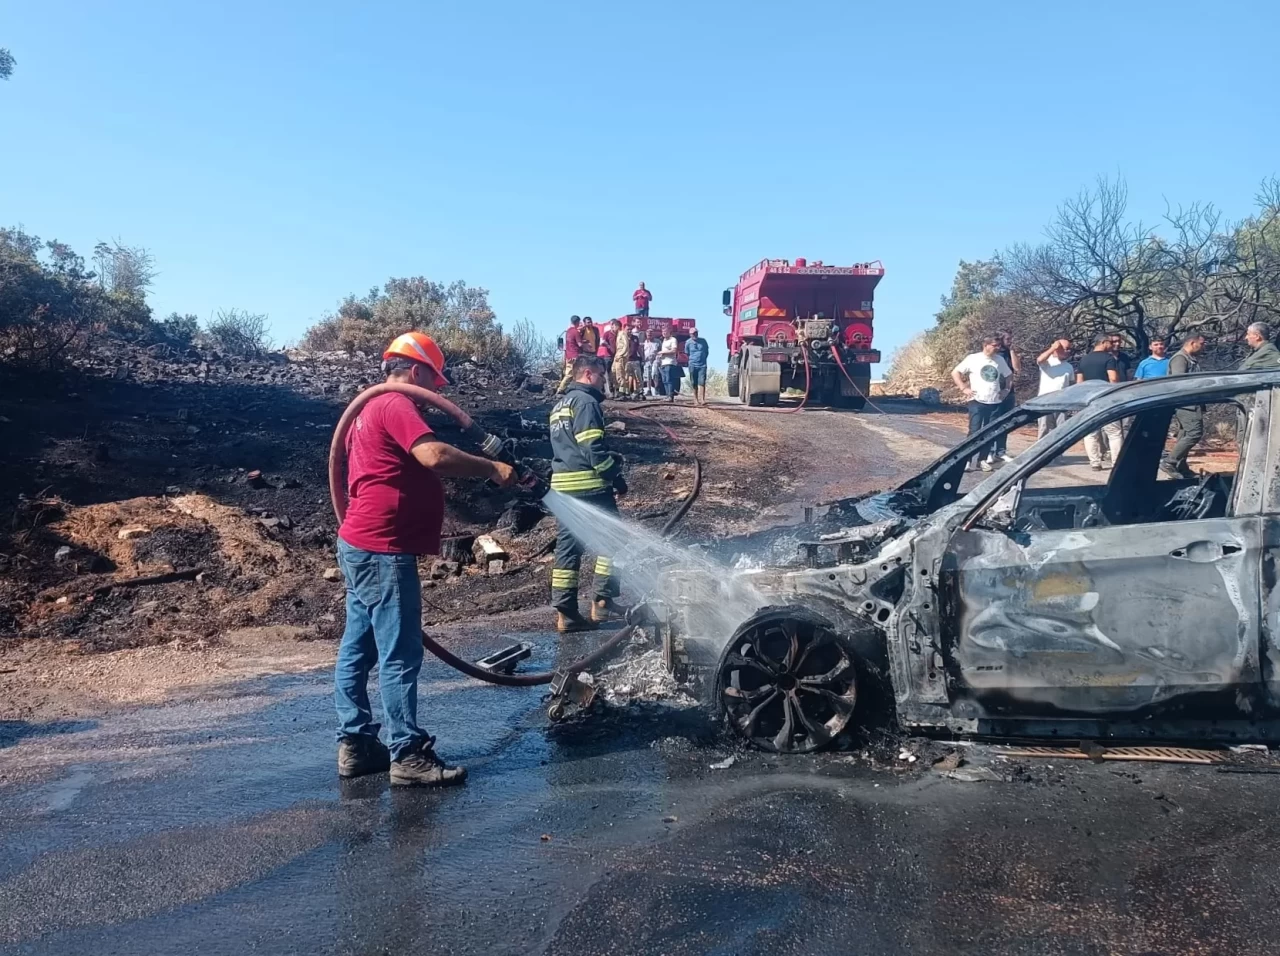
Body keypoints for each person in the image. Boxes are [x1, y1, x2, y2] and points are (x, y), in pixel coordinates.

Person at [336, 332, 517, 787]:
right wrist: (491, 467)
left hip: (361, 542)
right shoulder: (395, 404)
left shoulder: (367, 409)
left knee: (359, 648)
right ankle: (407, 754)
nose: (436, 392)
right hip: (383, 547)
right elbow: (433, 456)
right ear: (415, 371)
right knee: (399, 652)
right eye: (434, 381)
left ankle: (356, 745)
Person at [548, 356, 628, 631]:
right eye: (602, 377)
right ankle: (603, 601)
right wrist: (614, 476)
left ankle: (566, 612)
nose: (604, 382)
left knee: (568, 550)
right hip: (589, 486)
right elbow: (591, 446)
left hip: (563, 488)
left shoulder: (560, 405)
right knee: (614, 540)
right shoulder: (586, 403)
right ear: (588, 373)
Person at [951, 336, 1012, 472]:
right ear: (986, 345)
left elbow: (1008, 375)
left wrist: (1006, 390)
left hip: (995, 401)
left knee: (990, 432)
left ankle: (982, 460)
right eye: (995, 345)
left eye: (998, 346)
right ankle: (966, 460)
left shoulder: (999, 360)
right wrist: (963, 388)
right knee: (974, 432)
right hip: (977, 400)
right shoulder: (973, 358)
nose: (997, 348)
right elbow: (955, 372)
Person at [1161, 334, 1207, 478]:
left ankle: (1181, 466)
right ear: (1192, 343)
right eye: (1202, 343)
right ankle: (1170, 461)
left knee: (1184, 435)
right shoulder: (1180, 358)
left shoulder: (1190, 359)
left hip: (1192, 403)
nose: (1203, 346)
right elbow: (1179, 382)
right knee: (1194, 433)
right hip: (1186, 404)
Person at [1075, 334, 1121, 470]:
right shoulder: (1109, 358)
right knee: (1114, 433)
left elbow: (1079, 382)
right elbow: (1112, 378)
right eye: (1110, 342)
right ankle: (1116, 463)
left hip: (1089, 399)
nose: (1112, 345)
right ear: (1103, 342)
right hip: (1107, 398)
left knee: (1091, 432)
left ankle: (1095, 462)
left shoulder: (1084, 360)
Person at [991, 330, 1022, 461]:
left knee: (1005, 422)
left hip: (1009, 392)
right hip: (995, 392)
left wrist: (1012, 351)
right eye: (1008, 339)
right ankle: (990, 451)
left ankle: (1001, 451)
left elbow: (1017, 368)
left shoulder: (1009, 354)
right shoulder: (995, 354)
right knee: (993, 422)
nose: (1010, 341)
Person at [1034, 338, 1073, 439]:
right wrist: (1053, 348)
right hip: (1045, 401)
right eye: (1065, 348)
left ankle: (1058, 453)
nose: (1068, 351)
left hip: (1062, 402)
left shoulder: (1069, 366)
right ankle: (1041, 452)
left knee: (1061, 429)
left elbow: (1071, 384)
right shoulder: (1048, 362)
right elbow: (1039, 360)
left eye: (1069, 349)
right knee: (1044, 427)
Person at [556, 315, 585, 394]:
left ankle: (563, 388)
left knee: (568, 373)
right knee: (574, 374)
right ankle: (561, 389)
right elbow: (579, 344)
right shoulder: (576, 332)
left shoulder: (568, 331)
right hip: (575, 356)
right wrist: (587, 345)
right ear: (577, 322)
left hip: (568, 356)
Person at [685, 326, 710, 406]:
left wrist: (703, 359)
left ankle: (702, 399)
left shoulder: (703, 341)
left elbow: (706, 352)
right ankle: (695, 400)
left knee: (702, 381)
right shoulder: (688, 342)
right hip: (692, 364)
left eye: (696, 333)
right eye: (693, 334)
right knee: (694, 382)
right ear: (690, 334)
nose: (695, 335)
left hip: (702, 365)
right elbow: (687, 353)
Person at [596, 319, 619, 397]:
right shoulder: (607, 334)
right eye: (613, 325)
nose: (614, 326)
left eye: (616, 325)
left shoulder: (619, 334)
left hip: (616, 356)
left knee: (616, 373)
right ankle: (610, 391)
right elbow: (602, 342)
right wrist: (608, 346)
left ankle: (617, 390)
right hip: (608, 357)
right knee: (608, 374)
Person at [658, 326, 681, 402]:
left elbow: (674, 350)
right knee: (664, 380)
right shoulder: (664, 340)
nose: (664, 333)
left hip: (670, 362)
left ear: (669, 332)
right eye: (662, 332)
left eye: (665, 332)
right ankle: (667, 396)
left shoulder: (673, 340)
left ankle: (671, 396)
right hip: (663, 362)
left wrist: (663, 352)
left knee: (669, 379)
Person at [611, 321, 633, 399]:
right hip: (617, 356)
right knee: (614, 372)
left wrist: (621, 354)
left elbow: (626, 345)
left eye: (613, 325)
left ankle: (622, 393)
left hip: (620, 356)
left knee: (620, 374)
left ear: (617, 326)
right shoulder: (618, 335)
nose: (612, 327)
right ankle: (620, 390)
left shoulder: (622, 333)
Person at [625, 326, 644, 399]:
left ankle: (640, 392)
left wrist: (642, 356)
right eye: (627, 329)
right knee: (626, 378)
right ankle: (627, 393)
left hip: (635, 360)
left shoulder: (635, 338)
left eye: (630, 329)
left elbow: (638, 348)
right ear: (624, 330)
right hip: (626, 361)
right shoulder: (622, 338)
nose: (629, 331)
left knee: (638, 377)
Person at [642, 330, 661, 398]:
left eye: (651, 334)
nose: (649, 335)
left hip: (655, 360)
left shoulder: (657, 341)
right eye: (648, 334)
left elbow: (660, 350)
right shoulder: (645, 342)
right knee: (647, 375)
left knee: (655, 374)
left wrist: (658, 359)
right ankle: (649, 390)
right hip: (647, 360)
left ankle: (656, 389)